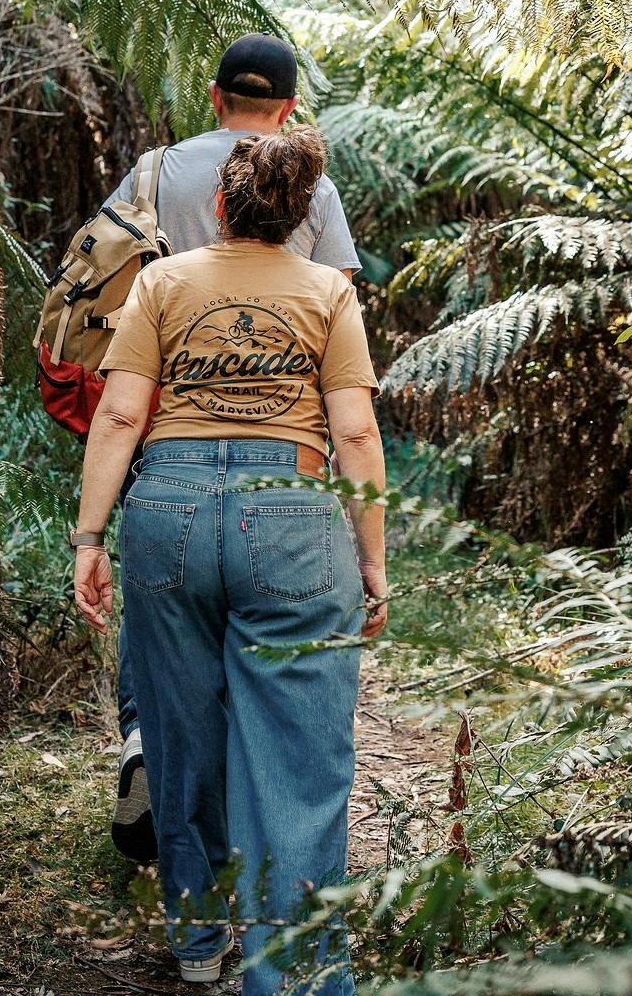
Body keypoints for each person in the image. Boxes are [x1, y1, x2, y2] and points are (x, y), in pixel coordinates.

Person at [70, 127, 389, 992]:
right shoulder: (328, 289)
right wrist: (372, 563)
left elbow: (120, 416)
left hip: (166, 510)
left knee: (181, 736)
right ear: (301, 214)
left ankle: (199, 937)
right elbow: (355, 430)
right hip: (290, 512)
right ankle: (294, 972)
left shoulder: (165, 281)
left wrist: (90, 538)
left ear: (219, 206)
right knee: (298, 753)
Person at [98, 34, 362, 865]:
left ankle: (151, 747)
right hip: (285, 468)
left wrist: (86, 532)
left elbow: (98, 284)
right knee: (278, 675)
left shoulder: (152, 172)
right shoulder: (306, 185)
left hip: (164, 448)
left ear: (214, 97)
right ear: (287, 112)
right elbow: (342, 366)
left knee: (168, 635)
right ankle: (277, 893)